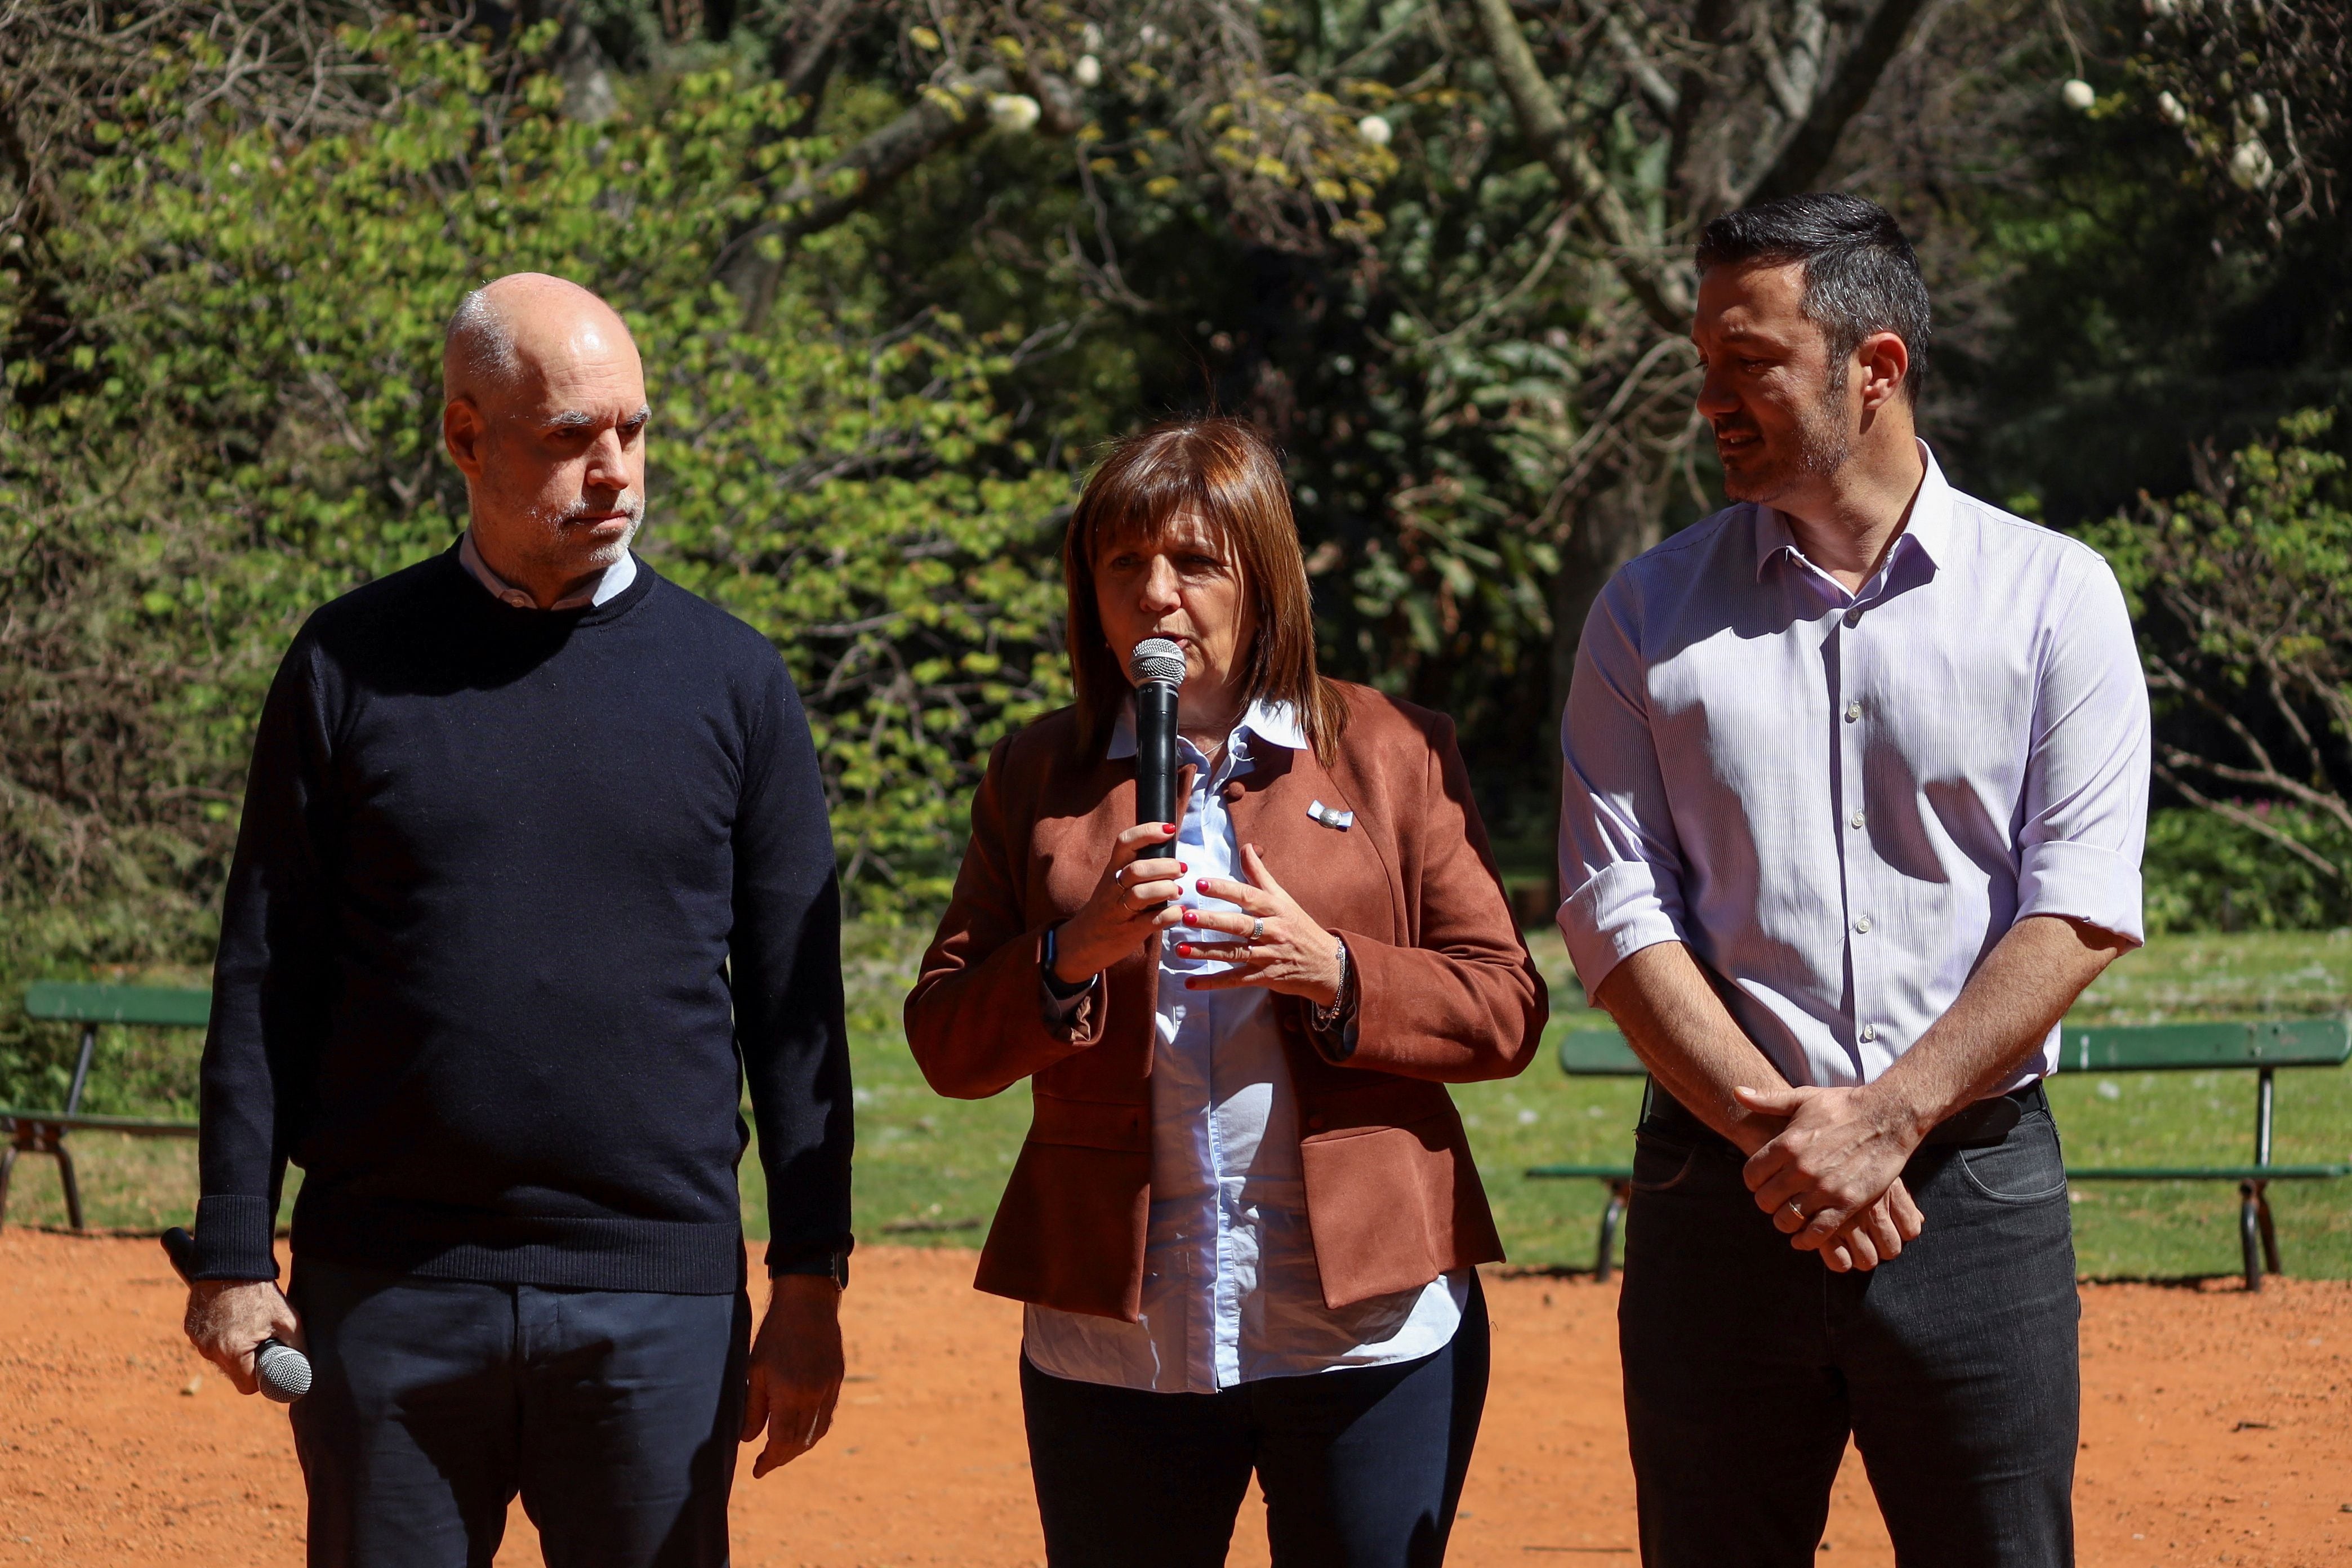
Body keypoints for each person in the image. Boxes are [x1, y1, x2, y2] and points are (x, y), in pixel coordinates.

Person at [180, 273, 854, 1567]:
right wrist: (227, 1249)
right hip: (389, 1293)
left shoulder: (736, 683)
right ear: (465, 436)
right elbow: (268, 968)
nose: (614, 470)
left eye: (635, 431)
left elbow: (794, 1010)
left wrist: (811, 1277)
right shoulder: (346, 664)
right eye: (570, 437)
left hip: (657, 1299)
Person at [1557, 192, 2149, 1566]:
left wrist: (1889, 1121)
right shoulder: (1643, 615)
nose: (1711, 395)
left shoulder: (2058, 596)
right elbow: (1610, 902)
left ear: (1871, 369)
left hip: (1975, 1202)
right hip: (1721, 1200)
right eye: (1705, 360)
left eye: (1747, 360)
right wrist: (1784, 1133)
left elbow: (2078, 905)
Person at [905, 418, 1547, 1568]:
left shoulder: (1394, 753)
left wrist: (1339, 972)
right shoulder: (1036, 777)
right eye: (1123, 563)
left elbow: (1505, 1006)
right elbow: (948, 1043)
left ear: (1265, 577)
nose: (1157, 594)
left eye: (1195, 562)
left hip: (1363, 1335)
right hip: (1118, 1344)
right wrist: (1067, 954)